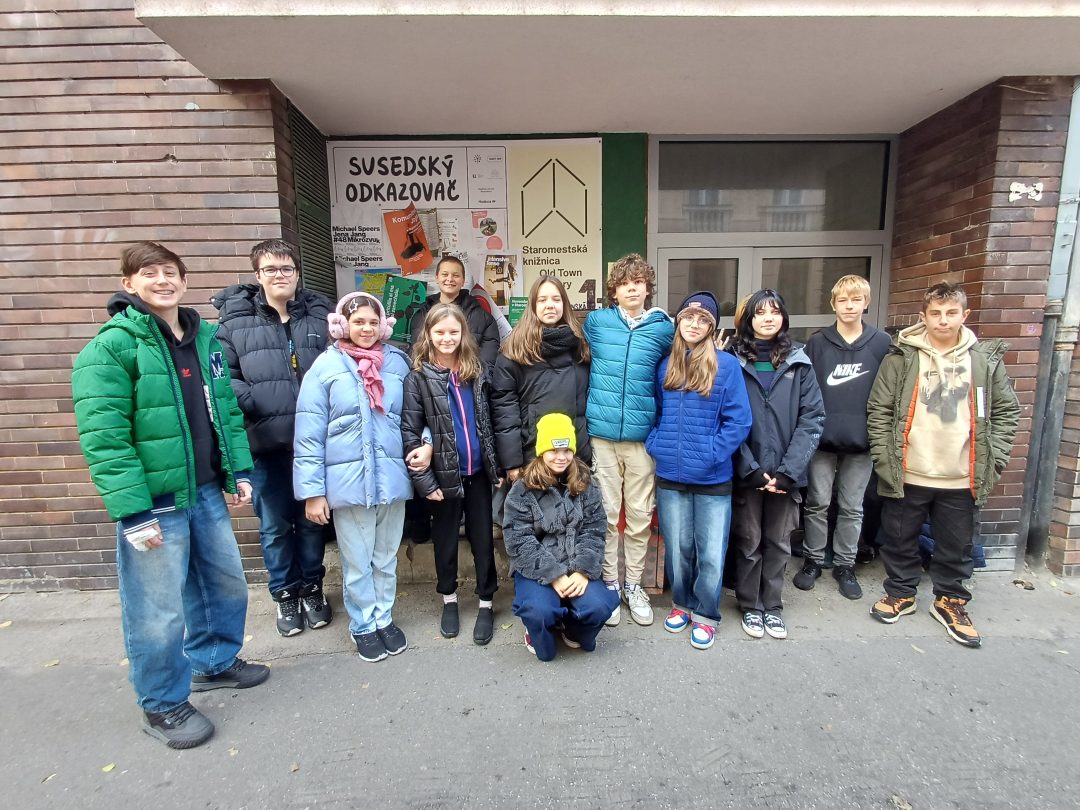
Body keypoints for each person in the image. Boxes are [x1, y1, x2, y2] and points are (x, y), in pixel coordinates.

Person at [71, 241, 268, 750]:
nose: (162, 281)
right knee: (157, 610)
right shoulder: (111, 348)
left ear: (184, 280)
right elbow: (105, 438)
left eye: (170, 272)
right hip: (155, 501)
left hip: (204, 490)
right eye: (149, 273)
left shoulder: (205, 340)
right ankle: (161, 704)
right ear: (129, 283)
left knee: (225, 586)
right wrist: (134, 511)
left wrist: (238, 471)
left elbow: (225, 409)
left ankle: (214, 662)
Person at [867, 282, 1019, 648]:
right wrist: (885, 458)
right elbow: (879, 409)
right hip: (909, 468)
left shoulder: (983, 360)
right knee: (899, 538)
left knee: (956, 544)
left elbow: (1005, 412)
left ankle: (950, 601)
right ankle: (900, 593)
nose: (943, 320)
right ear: (923, 316)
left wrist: (994, 459)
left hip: (961, 473)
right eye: (935, 313)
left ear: (965, 315)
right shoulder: (902, 357)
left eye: (951, 313)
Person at [213, 239, 333, 637]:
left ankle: (312, 589)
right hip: (265, 445)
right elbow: (223, 378)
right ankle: (285, 595)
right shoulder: (234, 324)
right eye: (270, 269)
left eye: (286, 268)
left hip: (313, 445)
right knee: (275, 527)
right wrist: (257, 401)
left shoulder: (320, 316)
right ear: (258, 275)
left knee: (313, 522)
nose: (279, 276)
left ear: (297, 273)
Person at [293, 291, 415, 663]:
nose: (366, 328)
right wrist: (313, 492)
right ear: (342, 324)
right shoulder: (326, 367)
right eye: (358, 321)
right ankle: (363, 624)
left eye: (373, 321)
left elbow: (417, 415)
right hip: (348, 483)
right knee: (358, 562)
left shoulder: (397, 363)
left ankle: (384, 617)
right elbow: (309, 432)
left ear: (383, 325)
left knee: (385, 557)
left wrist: (425, 443)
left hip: (391, 479)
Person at [646, 292, 752, 650]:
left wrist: (712, 453)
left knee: (710, 552)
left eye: (703, 320)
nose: (694, 324)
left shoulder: (727, 366)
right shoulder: (665, 366)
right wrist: (656, 444)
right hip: (671, 476)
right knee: (678, 549)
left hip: (712, 478)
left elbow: (739, 421)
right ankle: (682, 603)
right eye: (688, 317)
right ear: (678, 322)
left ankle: (706, 614)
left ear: (711, 327)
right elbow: (656, 413)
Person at [402, 303, 502, 644]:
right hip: (444, 477)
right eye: (440, 332)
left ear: (464, 334)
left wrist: (496, 465)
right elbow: (410, 432)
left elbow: (489, 421)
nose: (447, 338)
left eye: (453, 332)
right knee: (444, 541)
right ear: (428, 334)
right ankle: (449, 598)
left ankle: (486, 601)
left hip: (478, 474)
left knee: (482, 539)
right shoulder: (418, 378)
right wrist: (425, 482)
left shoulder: (477, 371)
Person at [584, 253, 674, 627]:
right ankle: (610, 583)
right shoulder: (597, 323)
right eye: (624, 283)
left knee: (638, 516)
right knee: (606, 515)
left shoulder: (663, 329)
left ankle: (633, 585)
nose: (632, 288)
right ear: (614, 291)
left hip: (641, 438)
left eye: (638, 282)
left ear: (647, 288)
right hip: (602, 436)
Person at [729, 289, 824, 641]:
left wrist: (788, 472)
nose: (768, 318)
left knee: (779, 542)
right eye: (760, 312)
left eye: (775, 312)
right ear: (748, 319)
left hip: (786, 474)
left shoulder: (799, 362)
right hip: (749, 470)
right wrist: (749, 467)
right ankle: (749, 605)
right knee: (749, 541)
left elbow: (812, 419)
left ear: (783, 318)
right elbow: (724, 417)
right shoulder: (734, 360)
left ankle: (772, 605)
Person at [794, 275, 892, 600]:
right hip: (821, 440)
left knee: (852, 506)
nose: (849, 306)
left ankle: (845, 564)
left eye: (856, 300)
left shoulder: (881, 344)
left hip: (862, 442)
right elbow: (804, 392)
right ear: (833, 304)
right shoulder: (817, 343)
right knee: (817, 503)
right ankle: (812, 559)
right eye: (843, 300)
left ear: (866, 303)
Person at [503, 413, 620, 661]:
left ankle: (572, 627)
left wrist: (583, 571)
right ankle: (537, 631)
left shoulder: (586, 484)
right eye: (554, 450)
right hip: (538, 568)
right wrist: (553, 574)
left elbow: (595, 530)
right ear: (542, 452)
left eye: (567, 450)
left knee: (599, 606)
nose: (561, 457)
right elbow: (518, 540)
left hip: (576, 564)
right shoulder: (522, 489)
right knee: (539, 612)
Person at [491, 274, 592, 483]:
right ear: (533, 305)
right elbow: (505, 410)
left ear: (564, 304)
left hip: (573, 455)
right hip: (532, 454)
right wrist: (512, 462)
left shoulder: (580, 346)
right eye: (542, 300)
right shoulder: (515, 350)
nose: (550, 305)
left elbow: (584, 404)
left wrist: (585, 453)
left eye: (556, 299)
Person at [409, 254, 501, 366]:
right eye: (445, 274)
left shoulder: (484, 319)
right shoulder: (421, 315)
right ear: (437, 278)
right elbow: (417, 354)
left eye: (456, 275)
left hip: (469, 375)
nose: (450, 279)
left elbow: (487, 363)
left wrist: (466, 374)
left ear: (463, 281)